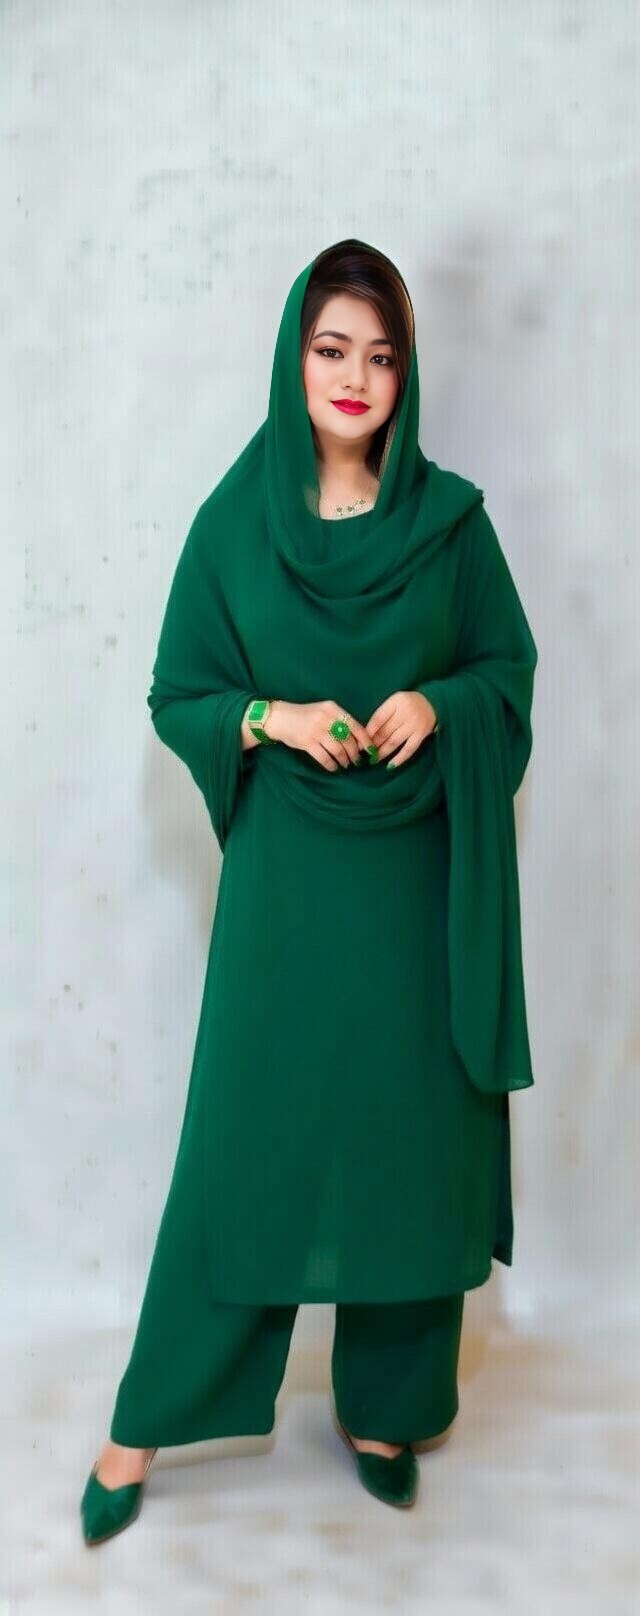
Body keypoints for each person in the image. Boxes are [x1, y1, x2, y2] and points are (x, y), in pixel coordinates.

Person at [80, 237, 538, 1542]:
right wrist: (269, 718)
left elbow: (506, 672)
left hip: (413, 889)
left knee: (410, 1140)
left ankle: (386, 1409)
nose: (355, 376)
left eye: (381, 356)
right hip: (288, 894)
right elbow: (179, 692)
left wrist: (438, 704)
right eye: (332, 348)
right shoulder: (236, 525)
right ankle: (144, 1421)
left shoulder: (451, 527)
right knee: (248, 1149)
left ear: (405, 376)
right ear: (294, 358)